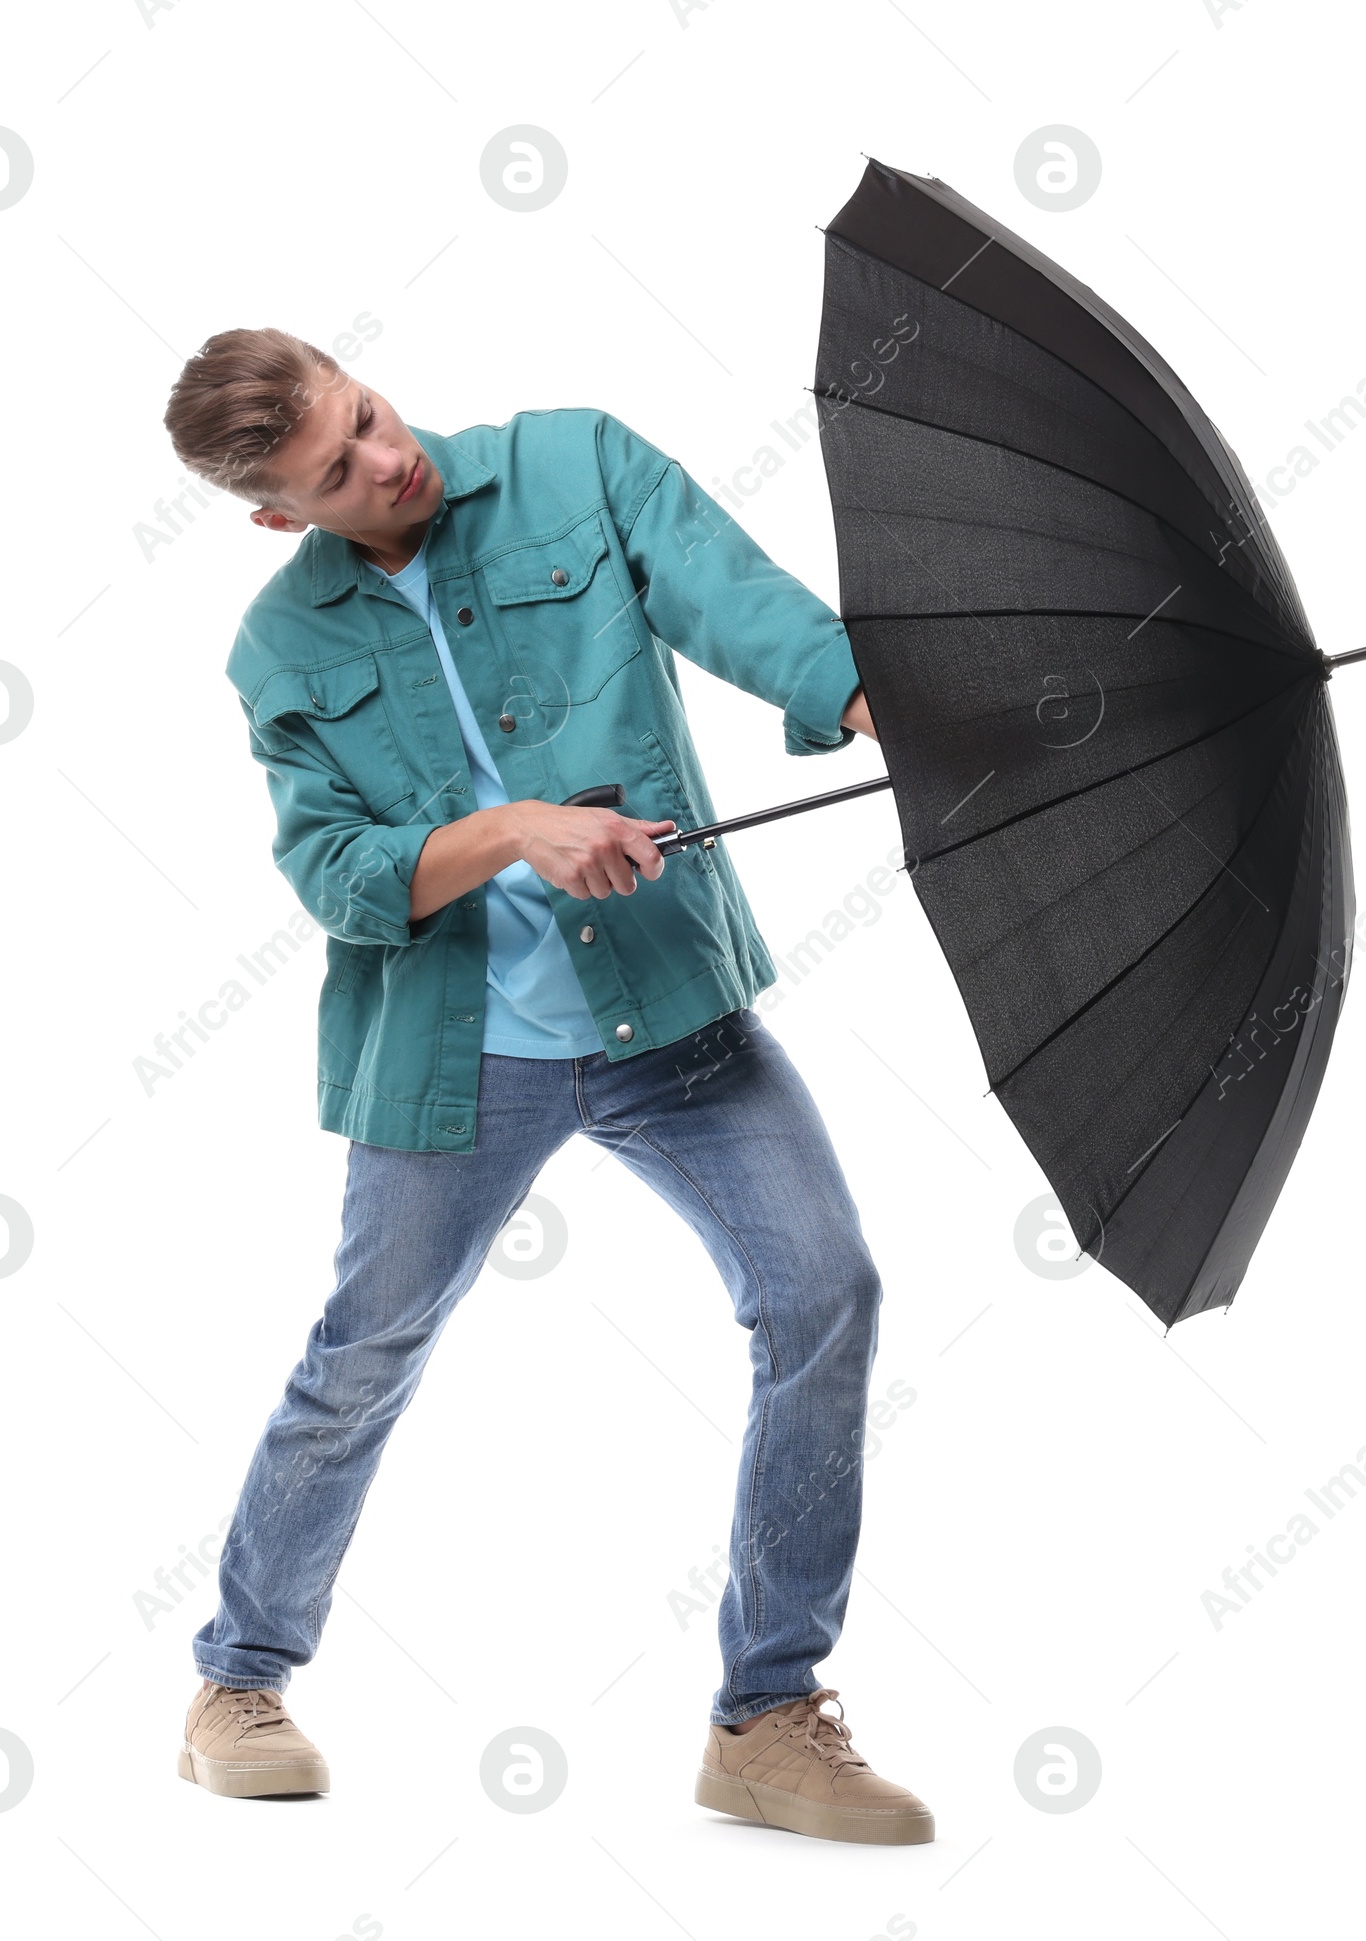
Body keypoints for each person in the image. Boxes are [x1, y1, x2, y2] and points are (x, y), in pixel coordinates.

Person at [162, 328, 933, 1845]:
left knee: (826, 1291)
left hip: (669, 1014)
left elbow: (736, 597)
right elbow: (338, 873)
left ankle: (767, 1712)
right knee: (366, 1348)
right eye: (335, 470)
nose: (388, 458)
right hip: (456, 1057)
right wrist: (515, 828)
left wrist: (865, 701)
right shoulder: (279, 650)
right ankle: (238, 1681)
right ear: (279, 516)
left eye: (367, 414)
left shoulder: (576, 460)